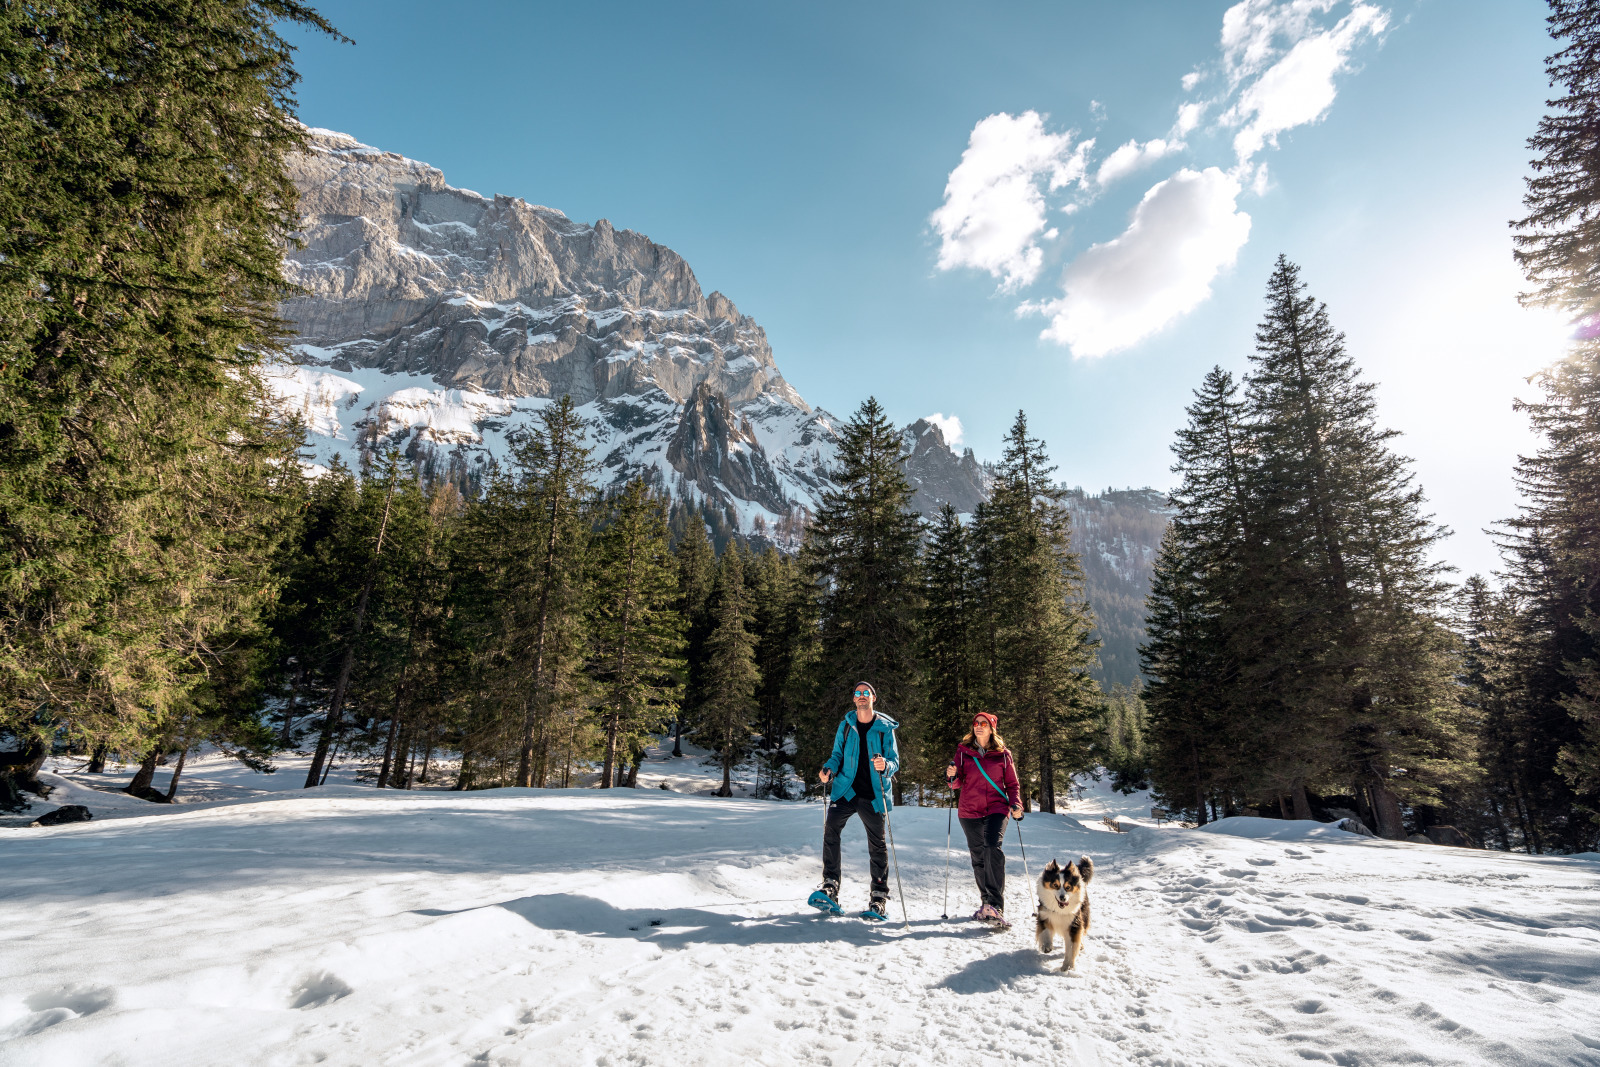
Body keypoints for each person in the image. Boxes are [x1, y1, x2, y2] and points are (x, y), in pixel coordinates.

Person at [810, 681, 900, 918]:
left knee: (877, 844)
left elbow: (894, 762)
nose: (862, 696)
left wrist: (885, 765)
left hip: (873, 794)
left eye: (866, 693)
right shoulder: (846, 725)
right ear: (853, 699)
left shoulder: (884, 728)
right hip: (845, 790)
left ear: (873, 698)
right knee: (831, 832)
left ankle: (878, 898)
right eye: (858, 693)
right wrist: (828, 769)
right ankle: (830, 887)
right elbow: (836, 755)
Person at [946, 712, 1022, 925]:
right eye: (976, 723)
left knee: (992, 847)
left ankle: (996, 905)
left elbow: (1013, 785)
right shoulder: (963, 752)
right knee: (978, 857)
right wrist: (950, 775)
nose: (978, 726)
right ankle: (986, 902)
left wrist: (1017, 805)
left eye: (984, 724)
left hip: (997, 808)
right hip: (969, 810)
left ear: (992, 728)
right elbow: (956, 783)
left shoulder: (1003, 755)